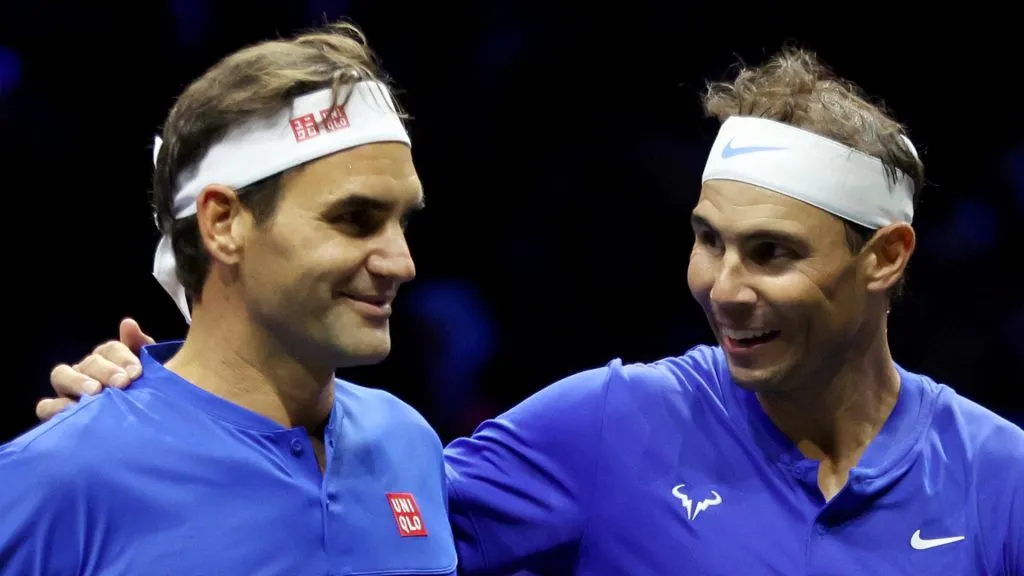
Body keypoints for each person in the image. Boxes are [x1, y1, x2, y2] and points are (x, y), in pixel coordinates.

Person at [40, 47, 1024, 574]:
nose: (722, 287)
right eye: (707, 238)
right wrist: (153, 401)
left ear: (885, 258)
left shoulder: (999, 479)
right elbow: (319, 509)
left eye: (770, 253)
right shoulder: (606, 426)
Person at [1, 23, 457, 576]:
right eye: (355, 220)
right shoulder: (58, 479)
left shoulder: (409, 444)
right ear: (223, 224)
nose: (402, 264)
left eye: (402, 221)